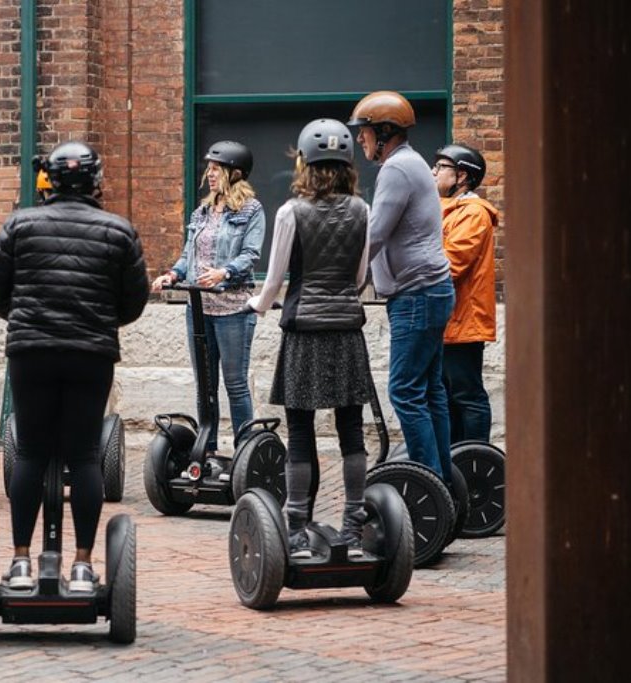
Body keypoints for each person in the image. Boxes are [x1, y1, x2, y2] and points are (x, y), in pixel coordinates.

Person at [0, 141, 148, 591]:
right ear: (95, 181)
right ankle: (80, 563)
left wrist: (27, 318)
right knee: (84, 454)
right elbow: (134, 301)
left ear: (49, 181)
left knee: (31, 453)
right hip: (89, 354)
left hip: (31, 351)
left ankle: (20, 561)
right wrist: (97, 319)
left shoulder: (19, 224)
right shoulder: (118, 230)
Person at [248, 119, 372, 558]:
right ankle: (354, 531)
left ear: (304, 162)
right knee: (351, 430)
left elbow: (276, 277)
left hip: (304, 330)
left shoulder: (291, 212)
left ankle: (297, 530)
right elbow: (359, 278)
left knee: (300, 432)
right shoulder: (362, 209)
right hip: (346, 329)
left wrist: (257, 306)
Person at [347, 90, 455, 485]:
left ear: (386, 131)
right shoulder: (411, 164)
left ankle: (427, 485)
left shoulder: (396, 169)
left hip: (416, 295)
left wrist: (345, 277)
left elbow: (374, 234)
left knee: (405, 392)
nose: (360, 139)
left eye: (366, 132)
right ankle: (442, 481)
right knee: (430, 391)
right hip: (431, 291)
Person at [150, 140, 265, 460]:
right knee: (205, 385)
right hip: (199, 310)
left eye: (217, 169)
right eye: (209, 168)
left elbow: (251, 254)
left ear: (235, 173)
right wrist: (172, 275)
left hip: (233, 309)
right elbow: (189, 256)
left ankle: (246, 454)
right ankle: (208, 450)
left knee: (235, 384)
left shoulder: (251, 210)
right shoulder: (201, 212)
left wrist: (223, 272)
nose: (210, 174)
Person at [433, 144, 497, 443]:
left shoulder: (473, 214)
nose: (433, 171)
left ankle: (477, 463)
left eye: (441, 167)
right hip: (448, 321)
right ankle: (457, 461)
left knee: (467, 395)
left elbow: (451, 263)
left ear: (462, 176)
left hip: (464, 322)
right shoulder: (448, 210)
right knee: (447, 398)